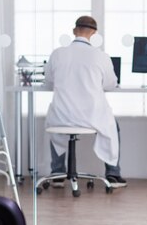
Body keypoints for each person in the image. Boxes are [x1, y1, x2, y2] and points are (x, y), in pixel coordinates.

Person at [45, 15, 125, 187]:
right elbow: (111, 85)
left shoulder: (58, 54)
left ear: (74, 31)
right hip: (91, 117)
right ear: (94, 33)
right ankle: (113, 174)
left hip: (62, 116)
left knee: (55, 120)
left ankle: (57, 172)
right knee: (113, 125)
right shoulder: (101, 56)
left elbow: (48, 83)